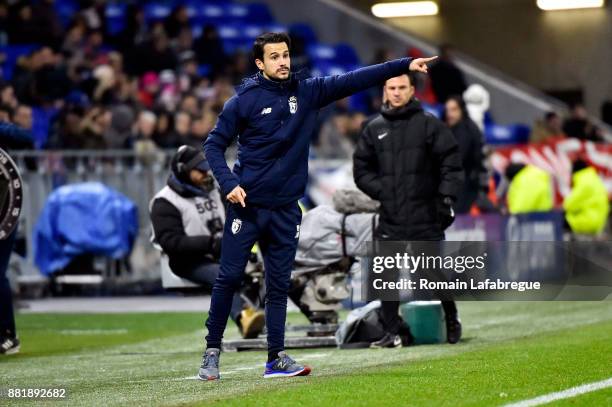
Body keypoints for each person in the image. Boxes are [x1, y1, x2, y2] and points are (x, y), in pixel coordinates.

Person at [201, 32, 436, 380]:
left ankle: (276, 358)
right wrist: (230, 183)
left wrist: (402, 65)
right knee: (229, 278)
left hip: (286, 210)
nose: (282, 61)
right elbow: (213, 145)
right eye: (274, 57)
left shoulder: (307, 92)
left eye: (285, 55)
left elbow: (354, 79)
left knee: (279, 284)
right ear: (260, 63)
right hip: (248, 207)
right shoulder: (243, 101)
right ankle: (211, 352)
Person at [353, 73, 464, 348]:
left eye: (402, 87)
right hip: (390, 217)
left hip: (425, 216)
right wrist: (383, 192)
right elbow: (361, 169)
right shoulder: (373, 128)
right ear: (385, 90)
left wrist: (444, 199)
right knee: (385, 275)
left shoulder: (429, 125)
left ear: (412, 90)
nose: (397, 92)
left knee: (432, 273)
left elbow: (451, 162)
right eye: (392, 88)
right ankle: (391, 332)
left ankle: (451, 318)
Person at [150, 146, 265, 339]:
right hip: (188, 261)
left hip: (221, 252)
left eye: (206, 169)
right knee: (224, 275)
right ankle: (244, 317)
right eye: (200, 170)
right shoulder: (164, 202)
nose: (205, 173)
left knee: (265, 268)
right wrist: (211, 243)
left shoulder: (215, 192)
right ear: (183, 170)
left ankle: (268, 318)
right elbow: (171, 242)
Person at [444, 96, 489, 214]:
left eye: (453, 110)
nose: (450, 114)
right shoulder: (456, 127)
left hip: (465, 186)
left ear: (461, 110)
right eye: (448, 110)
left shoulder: (465, 129)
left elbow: (457, 157)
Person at [563, 159, 609, 235]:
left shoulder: (584, 182)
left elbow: (569, 205)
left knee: (557, 221)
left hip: (587, 220)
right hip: (598, 221)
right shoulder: (594, 179)